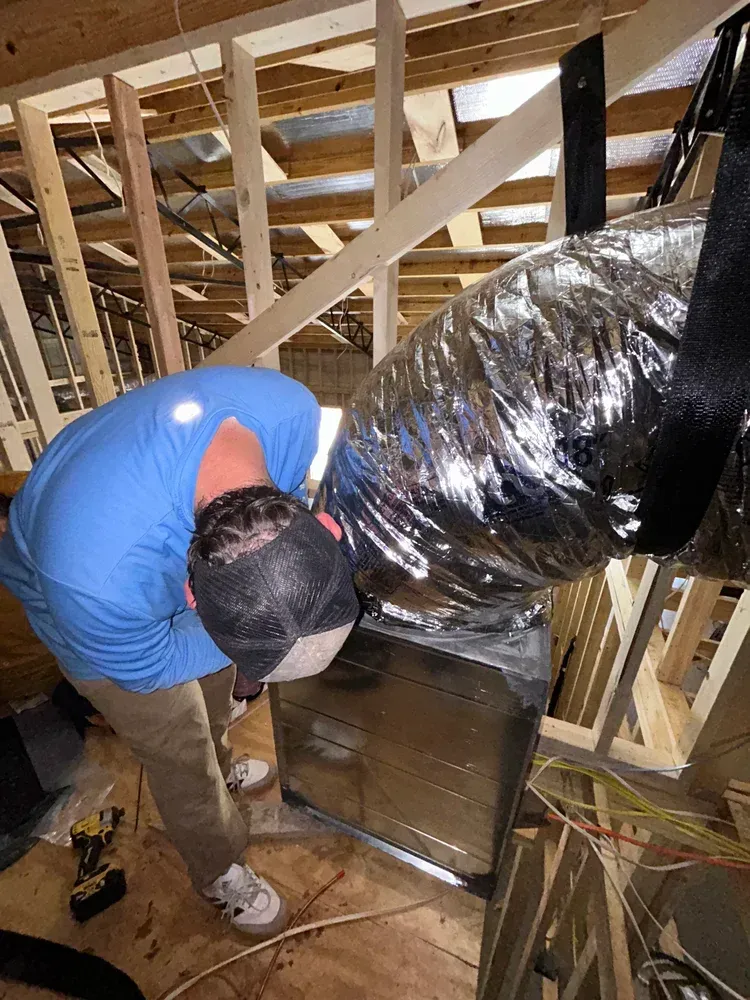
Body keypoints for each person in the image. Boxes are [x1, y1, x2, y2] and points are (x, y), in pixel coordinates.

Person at [0, 366, 359, 936]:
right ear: (193, 594)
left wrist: (242, 664)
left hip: (142, 545)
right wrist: (241, 661)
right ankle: (217, 868)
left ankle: (223, 774)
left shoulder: (293, 414)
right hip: (90, 611)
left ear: (324, 532)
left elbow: (228, 634)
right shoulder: (92, 586)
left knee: (214, 703)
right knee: (179, 743)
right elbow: (153, 665)